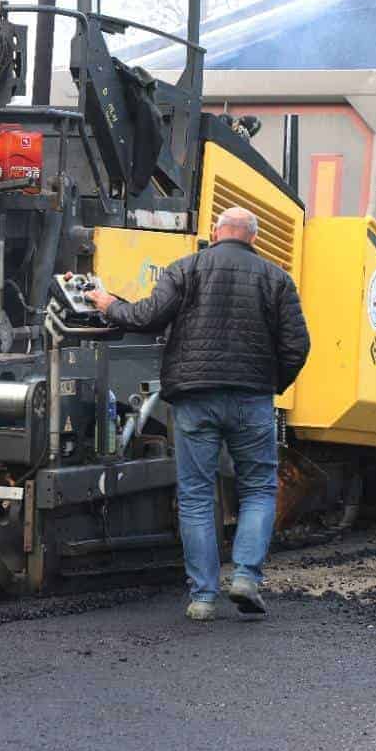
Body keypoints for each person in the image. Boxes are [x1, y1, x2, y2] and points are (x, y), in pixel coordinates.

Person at [84, 207, 310, 622]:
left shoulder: (185, 268)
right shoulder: (276, 278)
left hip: (195, 397)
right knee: (258, 489)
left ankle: (203, 597)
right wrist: (270, 382)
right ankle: (245, 577)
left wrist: (108, 303)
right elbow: (298, 345)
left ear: (215, 232)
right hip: (251, 398)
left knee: (196, 495)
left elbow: (146, 317)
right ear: (253, 238)